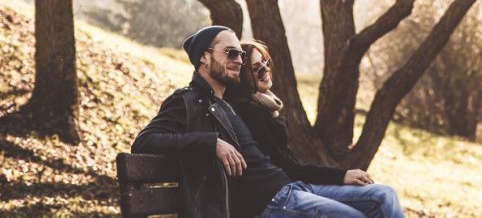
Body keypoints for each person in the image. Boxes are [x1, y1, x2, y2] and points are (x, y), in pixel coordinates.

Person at [132, 25, 403, 218]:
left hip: (288, 189)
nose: (238, 60)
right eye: (230, 53)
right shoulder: (188, 101)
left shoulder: (228, 104)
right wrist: (212, 143)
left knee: (380, 198)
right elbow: (144, 141)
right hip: (270, 201)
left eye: (240, 54)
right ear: (204, 56)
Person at [227, 40, 402, 217]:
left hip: (296, 184)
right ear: (242, 76)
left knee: (384, 195)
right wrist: (342, 176)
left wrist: (342, 175)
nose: (265, 70)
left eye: (266, 62)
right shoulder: (249, 112)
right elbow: (286, 166)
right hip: (279, 192)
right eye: (257, 68)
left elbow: (292, 166)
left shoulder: (265, 106)